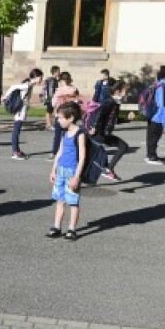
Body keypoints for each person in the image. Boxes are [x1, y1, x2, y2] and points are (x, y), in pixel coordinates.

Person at [47, 102, 87, 241]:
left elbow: (82, 157)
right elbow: (60, 152)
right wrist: (53, 169)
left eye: (60, 118)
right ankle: (57, 227)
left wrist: (77, 176)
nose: (58, 121)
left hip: (72, 172)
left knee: (73, 202)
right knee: (60, 200)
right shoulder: (64, 133)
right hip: (61, 171)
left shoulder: (80, 134)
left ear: (70, 118)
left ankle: (72, 229)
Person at [90, 79, 129, 181]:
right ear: (117, 91)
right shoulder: (110, 102)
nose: (126, 94)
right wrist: (94, 127)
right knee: (122, 146)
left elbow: (114, 120)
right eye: (125, 92)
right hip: (100, 134)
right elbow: (100, 114)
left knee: (123, 146)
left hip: (104, 133)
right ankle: (107, 168)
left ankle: (108, 169)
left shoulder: (115, 103)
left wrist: (127, 119)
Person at [5, 68, 42, 160]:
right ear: (35, 77)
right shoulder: (27, 85)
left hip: (22, 110)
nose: (41, 79)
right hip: (20, 110)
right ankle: (15, 152)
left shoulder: (30, 85)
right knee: (16, 131)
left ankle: (17, 150)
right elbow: (13, 87)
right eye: (40, 77)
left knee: (17, 130)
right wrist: (5, 96)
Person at [47, 72, 81, 157]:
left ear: (62, 80)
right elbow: (78, 100)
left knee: (58, 135)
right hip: (70, 115)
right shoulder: (74, 89)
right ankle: (70, 151)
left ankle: (55, 152)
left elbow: (53, 103)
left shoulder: (60, 90)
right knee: (70, 134)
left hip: (61, 114)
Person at [146, 65, 165, 165]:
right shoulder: (164, 87)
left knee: (151, 136)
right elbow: (164, 105)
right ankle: (152, 156)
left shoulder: (157, 85)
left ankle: (150, 155)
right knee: (155, 137)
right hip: (158, 116)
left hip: (152, 114)